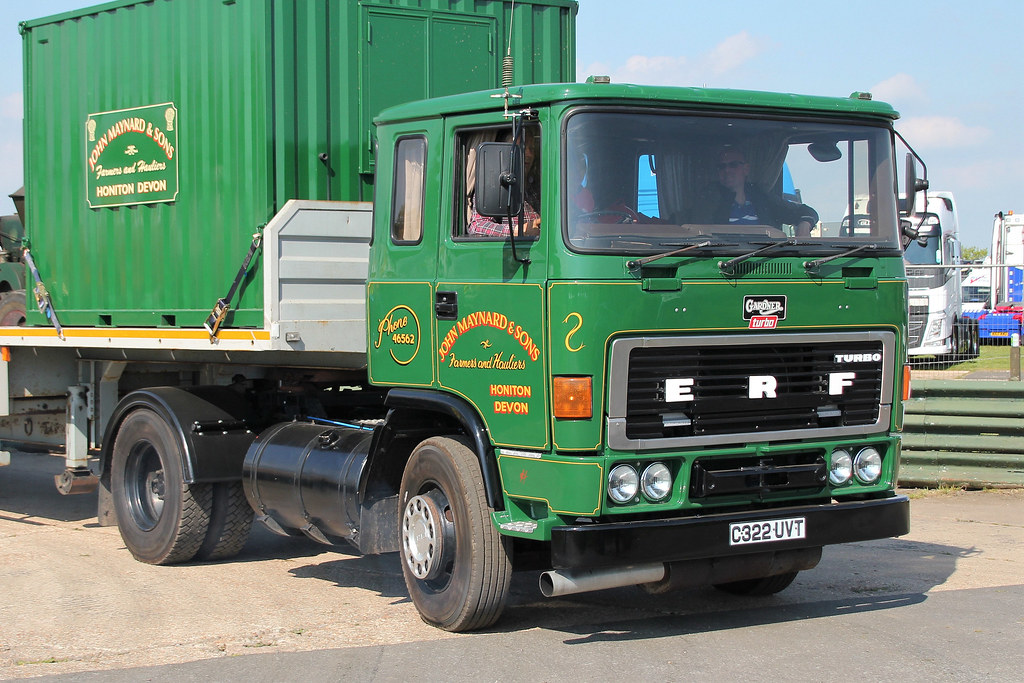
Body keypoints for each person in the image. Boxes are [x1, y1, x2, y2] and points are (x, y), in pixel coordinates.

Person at [705, 148, 817, 236]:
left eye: (733, 165)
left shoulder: (761, 198)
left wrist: (804, 224)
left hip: (765, 260)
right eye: (721, 166)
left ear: (746, 169)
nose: (727, 170)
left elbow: (806, 212)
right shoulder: (708, 200)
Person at [467, 127, 541, 238]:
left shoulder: (535, 186)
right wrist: (518, 231)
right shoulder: (493, 185)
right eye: (522, 148)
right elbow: (477, 226)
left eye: (532, 148)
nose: (529, 154)